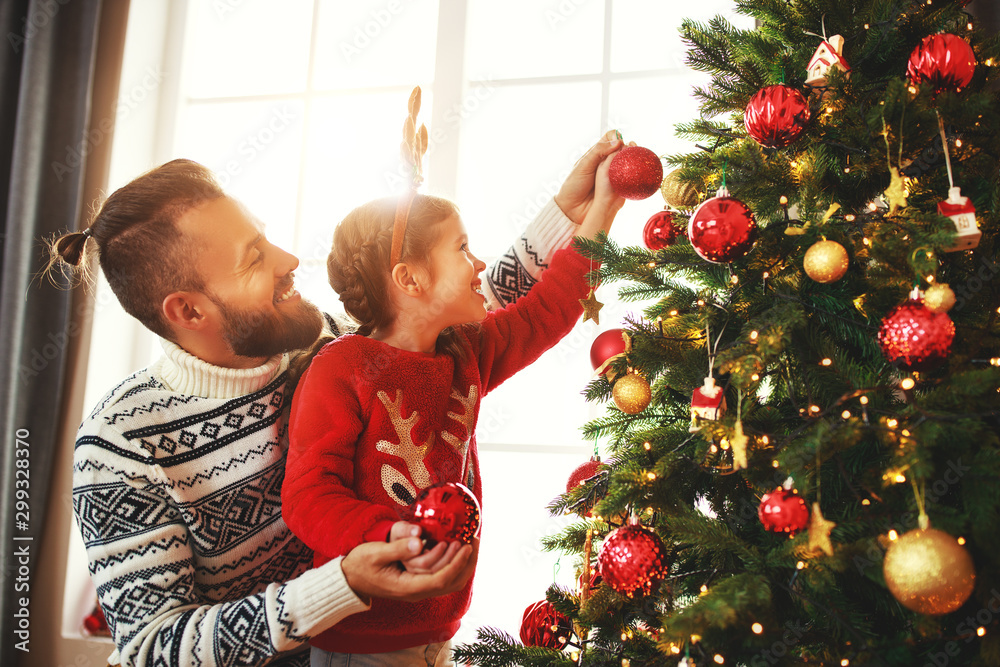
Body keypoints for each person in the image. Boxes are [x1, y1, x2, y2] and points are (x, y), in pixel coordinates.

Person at [47, 129, 624, 667]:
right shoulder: (120, 447)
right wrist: (339, 586)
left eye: (266, 238)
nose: (289, 260)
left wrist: (565, 218)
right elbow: (151, 650)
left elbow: (438, 325)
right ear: (190, 311)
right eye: (254, 257)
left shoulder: (321, 343)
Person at [280, 127, 623, 665]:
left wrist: (605, 207)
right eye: (463, 249)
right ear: (410, 279)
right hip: (359, 639)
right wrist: (397, 537)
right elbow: (308, 497)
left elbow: (551, 305)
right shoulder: (341, 369)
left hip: (441, 627)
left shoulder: (467, 349)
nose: (480, 265)